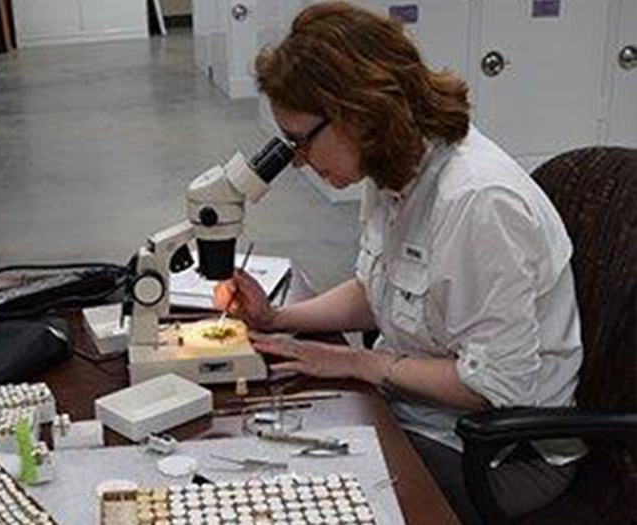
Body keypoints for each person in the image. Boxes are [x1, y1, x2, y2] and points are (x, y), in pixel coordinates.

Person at [214, 3, 584, 523]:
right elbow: (379, 288)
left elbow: (495, 387)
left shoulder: (478, 202)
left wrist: (359, 363)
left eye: (300, 141)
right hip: (421, 414)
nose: (297, 161)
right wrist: (276, 319)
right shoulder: (392, 170)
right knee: (260, 441)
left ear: (359, 113)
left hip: (498, 455)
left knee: (292, 488)